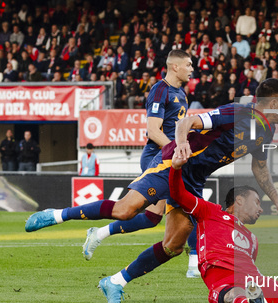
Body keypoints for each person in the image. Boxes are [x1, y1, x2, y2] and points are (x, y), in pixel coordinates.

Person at [25, 79, 278, 303]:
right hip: (172, 164)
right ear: (273, 104)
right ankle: (57, 215)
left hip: (194, 178)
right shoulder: (240, 112)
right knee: (125, 210)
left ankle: (115, 282)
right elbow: (188, 122)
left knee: (173, 245)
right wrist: (180, 147)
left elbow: (260, 167)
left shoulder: (266, 130)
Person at [81, 50, 200, 277]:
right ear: (175, 66)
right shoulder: (160, 90)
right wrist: (176, 152)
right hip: (157, 157)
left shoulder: (181, 94)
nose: (192, 68)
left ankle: (99, 233)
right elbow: (153, 131)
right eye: (188, 64)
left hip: (169, 157)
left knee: (151, 218)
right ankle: (194, 262)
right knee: (190, 202)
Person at [168, 151, 278, 303]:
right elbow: (178, 195)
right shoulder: (210, 211)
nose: (260, 209)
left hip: (256, 282)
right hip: (225, 283)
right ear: (239, 200)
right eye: (257, 202)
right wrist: (176, 168)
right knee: (235, 295)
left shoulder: (253, 239)